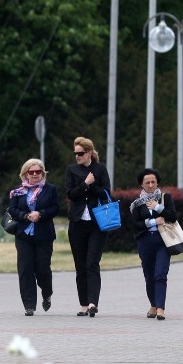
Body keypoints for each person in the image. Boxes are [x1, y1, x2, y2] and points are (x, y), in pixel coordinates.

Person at [64, 136, 111, 317]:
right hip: (77, 224)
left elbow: (107, 194)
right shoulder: (71, 170)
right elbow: (71, 194)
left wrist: (92, 185)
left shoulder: (100, 169)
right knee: (80, 266)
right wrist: (85, 184)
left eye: (81, 153)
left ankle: (93, 303)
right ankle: (83, 304)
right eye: (75, 153)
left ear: (89, 153)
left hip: (97, 224)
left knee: (92, 263)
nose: (77, 156)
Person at [7, 158, 59, 316]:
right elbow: (12, 210)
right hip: (24, 235)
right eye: (32, 172)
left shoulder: (50, 190)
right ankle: (29, 305)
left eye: (38, 172)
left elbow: (56, 208)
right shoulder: (17, 191)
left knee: (42, 269)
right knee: (25, 269)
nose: (35, 174)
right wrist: (26, 215)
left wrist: (40, 214)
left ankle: (47, 292)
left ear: (42, 173)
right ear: (25, 174)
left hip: (44, 236)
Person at [130, 168, 176, 320]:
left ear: (157, 183)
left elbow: (172, 216)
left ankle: (160, 308)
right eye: (147, 182)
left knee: (160, 274)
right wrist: (153, 221)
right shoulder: (137, 204)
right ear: (142, 185)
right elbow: (136, 225)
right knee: (149, 276)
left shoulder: (165, 198)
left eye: (153, 182)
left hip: (163, 241)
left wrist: (157, 207)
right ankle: (153, 304)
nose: (151, 185)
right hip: (145, 242)